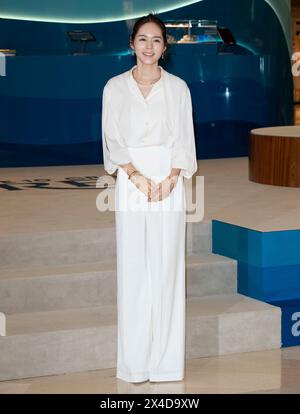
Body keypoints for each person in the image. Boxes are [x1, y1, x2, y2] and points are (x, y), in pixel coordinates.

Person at [101, 13, 198, 383]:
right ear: (132, 44)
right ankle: (135, 364)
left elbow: (184, 138)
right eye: (143, 39)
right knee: (134, 267)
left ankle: (167, 363)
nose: (149, 47)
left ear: (165, 47)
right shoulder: (114, 87)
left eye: (157, 40)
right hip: (130, 179)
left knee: (167, 267)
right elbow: (112, 138)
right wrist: (137, 177)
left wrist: (171, 178)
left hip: (169, 179)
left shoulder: (178, 88)